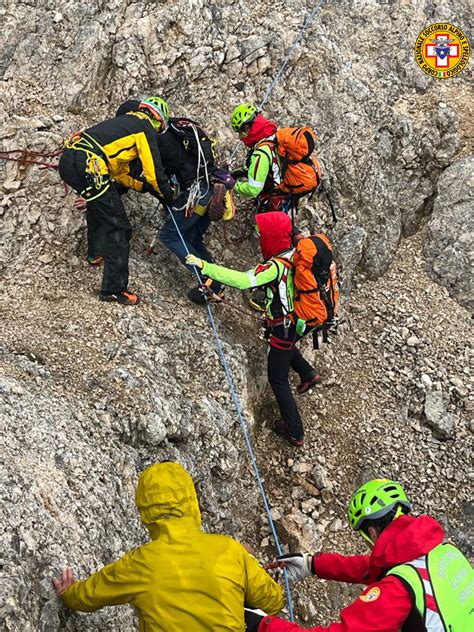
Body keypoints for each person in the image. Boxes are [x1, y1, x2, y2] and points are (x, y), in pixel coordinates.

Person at [52, 461, 283, 631]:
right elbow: (273, 601)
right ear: (192, 501)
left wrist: (69, 593)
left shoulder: (140, 564)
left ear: (145, 510)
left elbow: (89, 596)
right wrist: (246, 568)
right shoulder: (230, 550)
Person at [254, 478, 474, 631]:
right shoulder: (443, 551)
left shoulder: (397, 590)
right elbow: (377, 567)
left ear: (371, 532)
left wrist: (263, 626)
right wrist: (312, 564)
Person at [186, 211, 321, 447]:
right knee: (285, 348)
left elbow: (243, 280)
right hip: (298, 321)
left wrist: (205, 266)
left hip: (285, 326)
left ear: (272, 238)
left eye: (263, 235)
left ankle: (295, 431)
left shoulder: (275, 266)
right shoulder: (295, 253)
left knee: (277, 378)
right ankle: (308, 373)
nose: (260, 238)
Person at [59, 96, 176, 305]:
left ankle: (95, 253)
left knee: (99, 204)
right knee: (120, 228)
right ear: (159, 119)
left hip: (70, 160)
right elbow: (154, 172)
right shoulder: (144, 127)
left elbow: (121, 173)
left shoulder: (124, 125)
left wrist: (144, 187)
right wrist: (167, 194)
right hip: (90, 165)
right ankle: (113, 289)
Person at [230, 103, 288, 214]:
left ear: (247, 128)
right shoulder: (273, 137)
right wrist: (244, 173)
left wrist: (232, 185)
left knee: (264, 230)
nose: (240, 137)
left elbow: (253, 189)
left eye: (240, 132)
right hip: (285, 198)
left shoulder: (261, 152)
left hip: (273, 204)